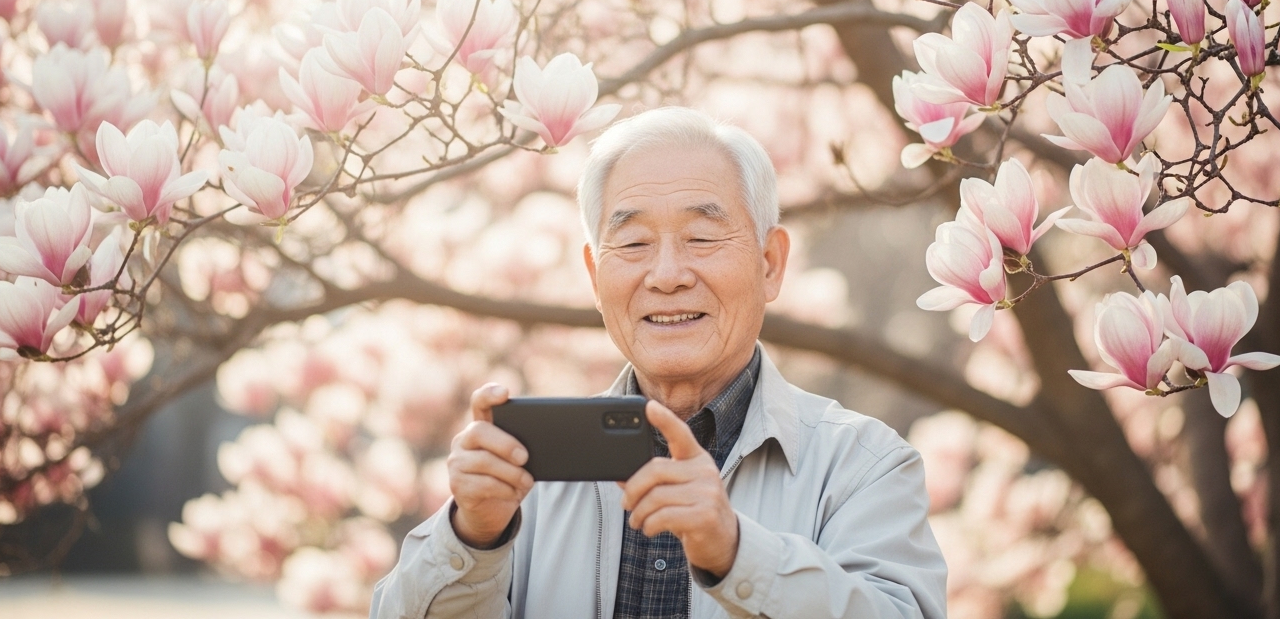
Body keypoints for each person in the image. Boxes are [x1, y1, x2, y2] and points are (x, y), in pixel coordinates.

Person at [369, 108, 947, 618]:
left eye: (702, 237)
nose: (667, 275)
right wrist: (472, 538)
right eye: (634, 243)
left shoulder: (864, 467)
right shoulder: (527, 471)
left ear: (770, 263)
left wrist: (736, 552)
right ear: (595, 276)